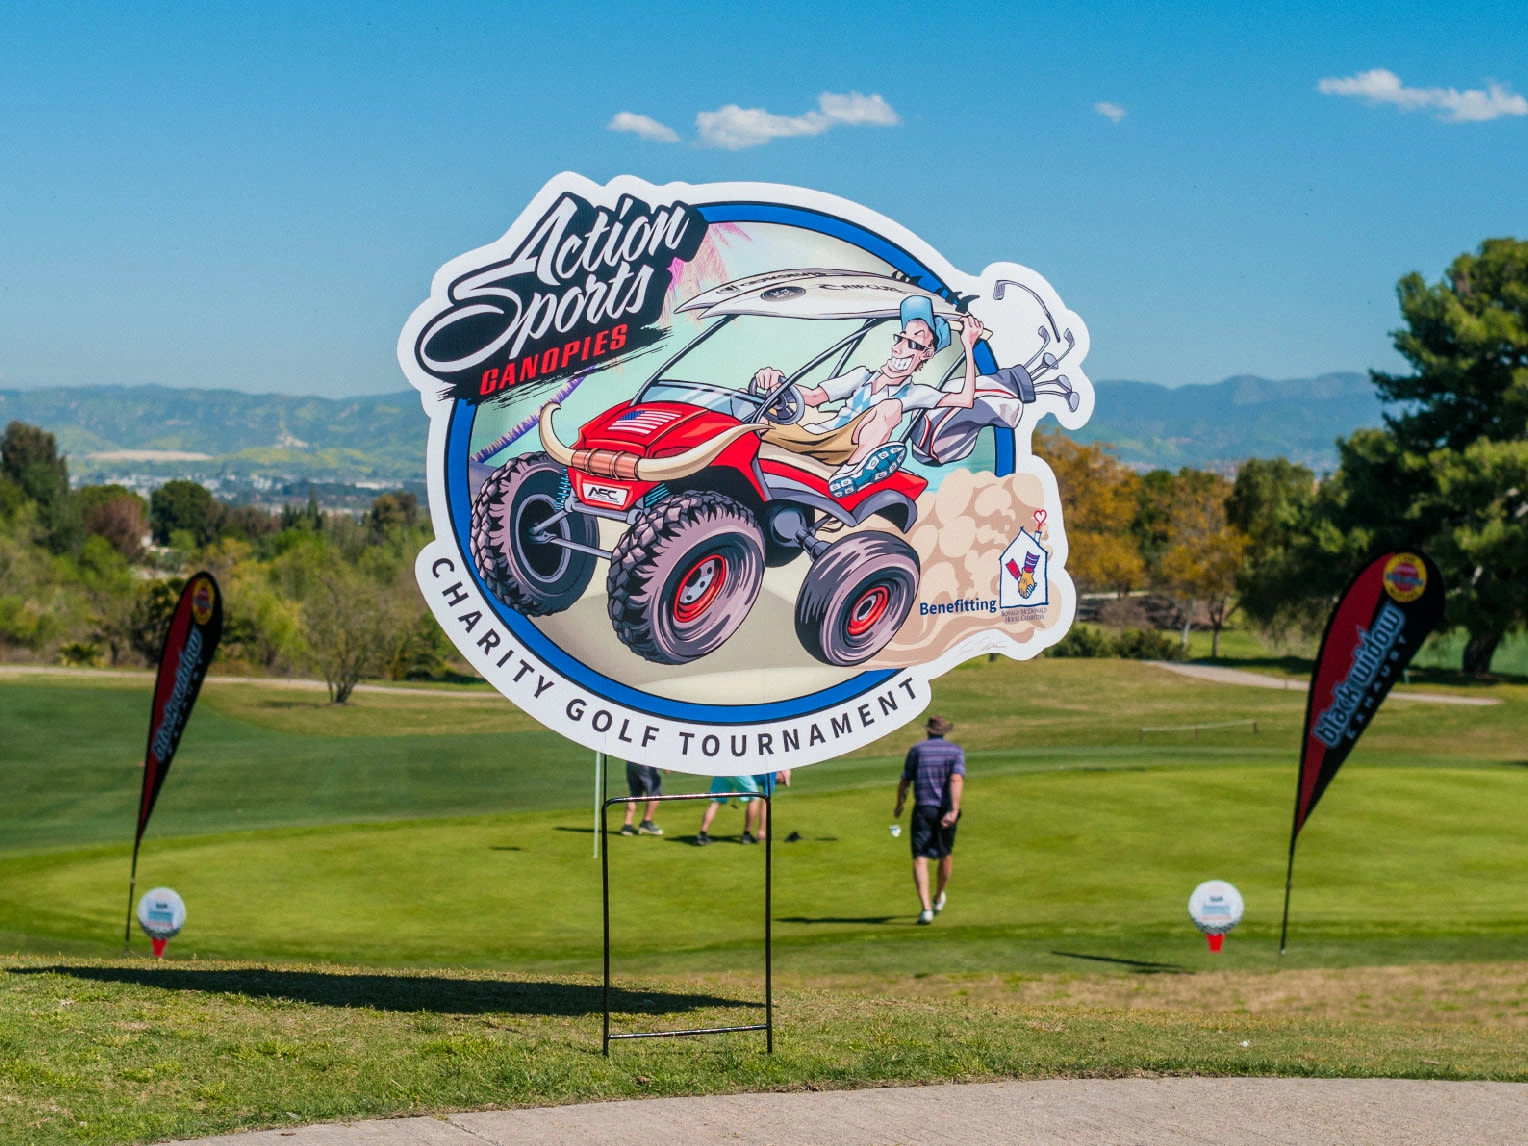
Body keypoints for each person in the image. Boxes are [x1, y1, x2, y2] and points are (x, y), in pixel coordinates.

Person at [752, 296, 985, 497]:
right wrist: (779, 383)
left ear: (926, 353)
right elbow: (813, 397)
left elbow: (965, 400)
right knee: (749, 409)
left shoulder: (915, 392)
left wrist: (968, 346)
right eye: (900, 338)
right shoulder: (861, 376)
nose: (899, 349)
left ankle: (853, 472)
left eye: (913, 343)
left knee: (891, 406)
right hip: (822, 433)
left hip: (852, 447)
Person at [892, 715, 965, 924]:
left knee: (920, 857)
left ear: (928, 731)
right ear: (945, 732)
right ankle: (938, 895)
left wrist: (899, 805)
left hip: (924, 807)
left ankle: (925, 908)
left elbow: (904, 782)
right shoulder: (956, 751)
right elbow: (956, 778)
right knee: (946, 855)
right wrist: (954, 809)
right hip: (945, 809)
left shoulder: (918, 750)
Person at [696, 773, 760, 845]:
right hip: (739, 771)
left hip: (722, 771)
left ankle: (702, 834)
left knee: (716, 802)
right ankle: (747, 834)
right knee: (754, 798)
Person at [620, 761, 664, 836]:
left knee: (635, 793)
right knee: (655, 794)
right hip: (647, 765)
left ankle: (627, 826)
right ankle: (646, 822)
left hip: (631, 762)